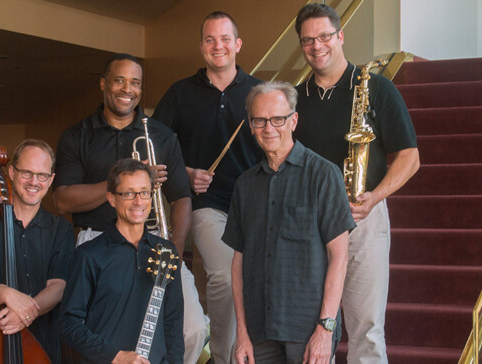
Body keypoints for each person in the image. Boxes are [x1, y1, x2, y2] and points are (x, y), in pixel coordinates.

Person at [53, 53, 207, 363]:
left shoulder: (162, 136)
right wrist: (126, 177)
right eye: (119, 80)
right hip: (96, 244)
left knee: (191, 329)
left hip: (154, 244)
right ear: (103, 84)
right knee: (105, 336)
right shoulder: (77, 136)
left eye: (135, 82)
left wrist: (174, 250)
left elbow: (182, 198)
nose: (127, 89)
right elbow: (62, 200)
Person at [293, 4, 420, 363]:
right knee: (312, 329)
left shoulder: (377, 87)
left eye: (324, 37)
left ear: (340, 36)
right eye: (307, 40)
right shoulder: (295, 99)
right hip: (310, 224)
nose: (317, 46)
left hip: (362, 217)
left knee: (366, 327)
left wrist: (375, 197)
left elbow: (410, 158)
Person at [152, 12, 262, 363]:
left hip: (254, 204)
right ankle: (222, 356)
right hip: (206, 204)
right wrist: (184, 171)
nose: (219, 46)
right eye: (211, 40)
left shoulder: (257, 91)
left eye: (225, 39)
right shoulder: (180, 93)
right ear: (201, 47)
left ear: (238, 44)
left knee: (255, 284)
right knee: (226, 279)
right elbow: (152, 148)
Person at [223, 81, 354, 364]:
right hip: (259, 332)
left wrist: (325, 329)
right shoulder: (245, 185)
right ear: (251, 124)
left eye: (278, 119)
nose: (269, 128)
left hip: (307, 330)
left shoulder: (324, 175)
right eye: (259, 120)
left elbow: (339, 257)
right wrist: (242, 333)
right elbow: (237, 264)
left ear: (293, 121)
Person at [0, 138, 75, 364]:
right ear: (11, 172)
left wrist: (26, 314)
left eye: (42, 175)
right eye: (27, 173)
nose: (34, 181)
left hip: (42, 345)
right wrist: (7, 293)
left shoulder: (61, 230)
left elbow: (58, 286)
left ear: (51, 180)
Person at [60, 158, 184, 364]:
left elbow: (173, 320)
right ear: (111, 198)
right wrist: (115, 356)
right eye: (128, 193)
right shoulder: (89, 255)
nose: (138, 201)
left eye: (145, 192)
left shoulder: (166, 252)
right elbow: (68, 324)